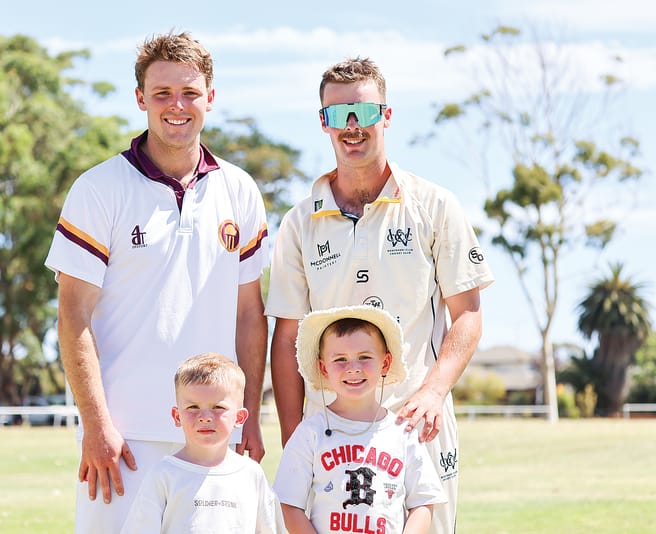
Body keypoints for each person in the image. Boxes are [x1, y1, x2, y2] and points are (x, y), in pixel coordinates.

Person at [45, 31, 269, 533]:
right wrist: (97, 424)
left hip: (213, 432)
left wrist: (248, 413)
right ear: (141, 98)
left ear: (210, 97)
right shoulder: (99, 188)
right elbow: (73, 315)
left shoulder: (240, 189)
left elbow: (249, 315)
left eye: (190, 93)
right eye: (163, 93)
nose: (177, 106)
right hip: (123, 441)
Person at [265, 57, 494, 533]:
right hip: (328, 431)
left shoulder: (435, 205)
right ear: (323, 121)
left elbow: (467, 316)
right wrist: (296, 440)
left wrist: (433, 392)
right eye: (339, 114)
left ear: (386, 116)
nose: (353, 126)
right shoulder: (298, 221)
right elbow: (287, 337)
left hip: (418, 422)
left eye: (365, 113)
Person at [273, 305, 446, 533]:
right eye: (340, 359)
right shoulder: (310, 432)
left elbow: (423, 501)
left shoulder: (402, 432)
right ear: (323, 368)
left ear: (385, 363)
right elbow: (288, 504)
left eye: (364, 357)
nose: (353, 368)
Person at [120, 353, 285, 533]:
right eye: (193, 407)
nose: (205, 417)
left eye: (218, 407)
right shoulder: (164, 475)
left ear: (239, 417)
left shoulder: (252, 475)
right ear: (177, 416)